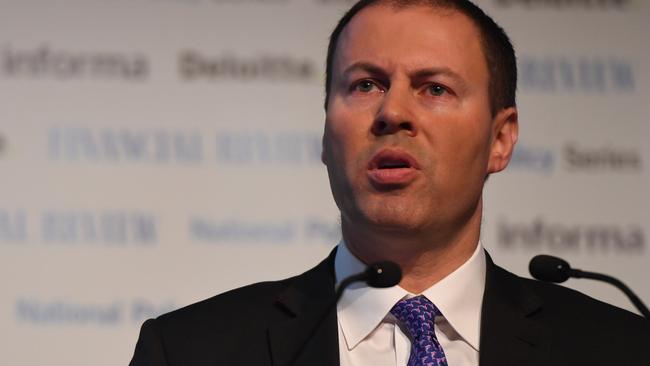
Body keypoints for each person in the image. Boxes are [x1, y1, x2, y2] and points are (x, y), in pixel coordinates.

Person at [130, 0, 650, 365]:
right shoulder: (190, 351)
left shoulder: (620, 350)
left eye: (435, 88)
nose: (392, 112)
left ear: (500, 139)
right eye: (365, 84)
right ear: (325, 133)